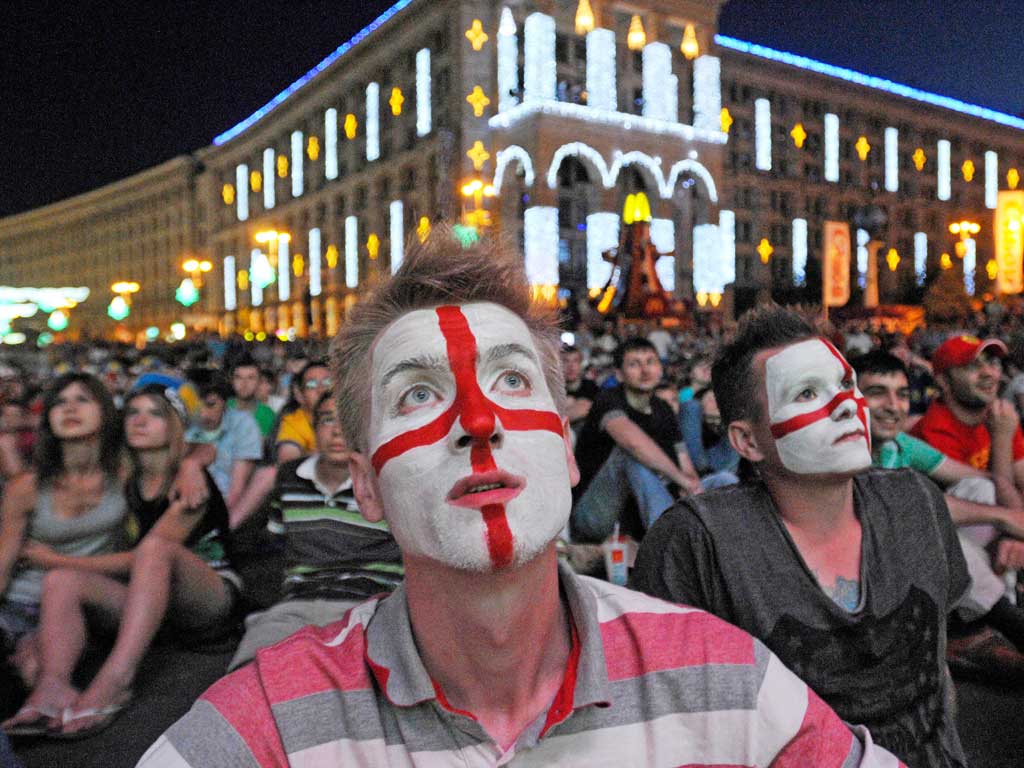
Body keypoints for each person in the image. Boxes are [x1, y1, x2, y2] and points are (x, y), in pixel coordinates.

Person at [138, 229, 899, 767]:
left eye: (511, 382)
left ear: (567, 450)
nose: (477, 422)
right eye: (417, 395)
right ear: (366, 484)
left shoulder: (721, 677)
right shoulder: (269, 720)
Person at [633, 305, 971, 767]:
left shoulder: (917, 504)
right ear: (747, 442)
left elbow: (937, 673)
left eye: (845, 384)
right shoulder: (698, 542)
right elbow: (672, 725)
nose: (847, 404)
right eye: (808, 393)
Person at [4, 383, 239, 737]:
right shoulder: (127, 472)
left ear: (173, 424)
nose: (141, 420)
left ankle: (116, 680)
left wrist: (51, 558)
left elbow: (142, 559)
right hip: (151, 605)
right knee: (60, 581)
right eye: (133, 412)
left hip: (207, 598)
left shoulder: (188, 480)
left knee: (155, 549)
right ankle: (53, 687)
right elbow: (201, 447)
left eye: (155, 413)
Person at [855, 349, 1024, 671]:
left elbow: (988, 480)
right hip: (870, 580)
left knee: (981, 491)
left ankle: (993, 620)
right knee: (929, 525)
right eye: (878, 394)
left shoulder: (899, 444)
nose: (893, 406)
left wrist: (1015, 529)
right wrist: (1004, 518)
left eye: (902, 395)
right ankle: (1004, 623)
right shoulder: (843, 446)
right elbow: (902, 505)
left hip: (930, 570)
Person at [227, 392, 402, 670]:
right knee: (245, 682)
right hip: (298, 604)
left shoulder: (389, 484)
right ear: (313, 426)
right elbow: (275, 545)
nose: (337, 431)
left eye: (349, 421)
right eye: (328, 419)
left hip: (371, 607)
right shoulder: (290, 477)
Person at [0, 374, 128, 720]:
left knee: (32, 668)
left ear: (105, 411)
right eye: (59, 401)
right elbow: (4, 565)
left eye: (83, 399)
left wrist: (193, 463)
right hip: (21, 606)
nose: (70, 407)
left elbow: (181, 449)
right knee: (23, 671)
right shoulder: (26, 487)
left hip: (86, 599)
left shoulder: (124, 472)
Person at [911, 335, 1024, 576]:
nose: (989, 373)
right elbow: (992, 497)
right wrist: (1002, 440)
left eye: (993, 363)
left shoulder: (997, 416)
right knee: (981, 489)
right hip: (957, 551)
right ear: (943, 381)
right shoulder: (933, 429)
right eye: (973, 366)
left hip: (1007, 526)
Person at [571, 337, 702, 543]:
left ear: (660, 368)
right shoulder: (608, 399)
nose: (645, 370)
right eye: (634, 364)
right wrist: (682, 480)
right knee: (629, 455)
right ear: (619, 375)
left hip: (643, 514)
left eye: (651, 362)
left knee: (724, 481)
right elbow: (632, 442)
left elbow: (685, 461)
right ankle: (670, 544)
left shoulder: (663, 408)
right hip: (595, 514)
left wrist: (693, 487)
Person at [184, 376, 262, 512]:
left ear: (224, 402)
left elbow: (238, 488)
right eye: (197, 407)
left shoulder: (243, 424)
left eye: (211, 405)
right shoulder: (186, 427)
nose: (203, 413)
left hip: (230, 508)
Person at [272, 359, 332, 463]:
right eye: (312, 385)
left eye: (327, 382)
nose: (321, 389)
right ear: (299, 394)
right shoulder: (294, 420)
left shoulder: (350, 416)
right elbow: (288, 459)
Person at [228, 355, 276, 438]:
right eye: (238, 378)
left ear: (258, 382)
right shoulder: (221, 409)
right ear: (232, 381)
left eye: (251, 378)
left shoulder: (269, 416)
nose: (244, 383)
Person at [561, 345, 596, 439]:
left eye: (575, 361)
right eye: (566, 361)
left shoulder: (590, 386)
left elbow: (586, 407)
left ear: (581, 365)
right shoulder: (553, 388)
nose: (571, 366)